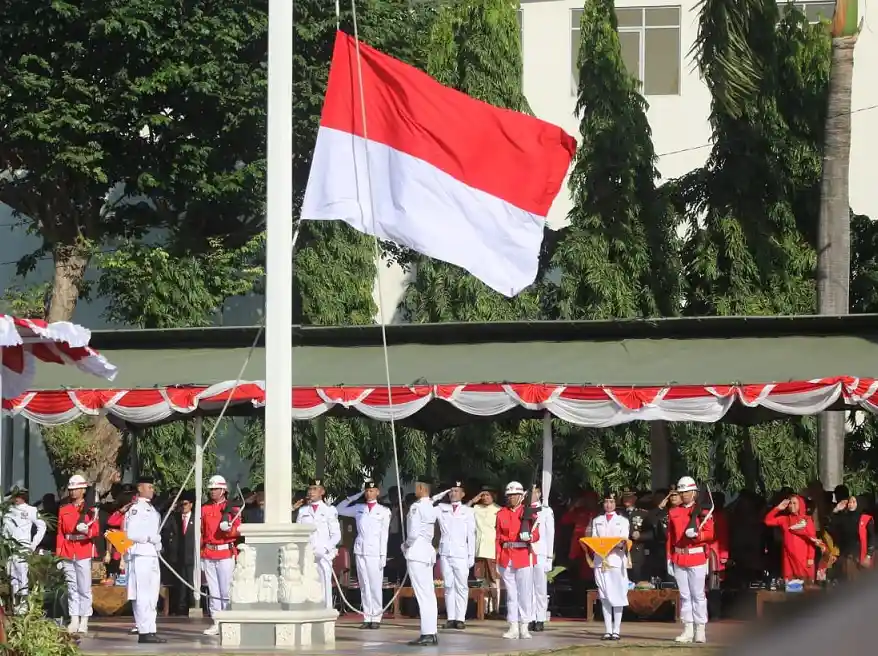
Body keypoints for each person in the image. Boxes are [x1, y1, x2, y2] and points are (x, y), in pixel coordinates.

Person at [666, 475, 715, 645]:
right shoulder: (674, 512)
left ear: (694, 492)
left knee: (698, 595)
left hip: (696, 556)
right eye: (682, 492)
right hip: (679, 556)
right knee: (685, 596)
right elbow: (671, 537)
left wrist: (698, 535)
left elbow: (710, 533)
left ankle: (700, 629)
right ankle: (687, 629)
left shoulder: (702, 511)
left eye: (687, 492)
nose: (684, 495)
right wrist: (669, 558)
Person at [337, 480, 391, 629]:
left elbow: (384, 535)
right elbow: (339, 509)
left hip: (375, 552)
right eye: (367, 491)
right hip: (360, 550)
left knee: (374, 585)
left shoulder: (384, 511)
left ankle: (377, 617)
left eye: (372, 491)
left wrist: (382, 556)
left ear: (377, 492)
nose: (369, 493)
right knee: (364, 585)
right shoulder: (359, 508)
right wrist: (356, 496)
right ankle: (367, 616)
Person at [124, 476, 166, 644]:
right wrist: (150, 537)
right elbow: (130, 534)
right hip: (140, 554)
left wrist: (158, 542)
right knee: (142, 594)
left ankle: (151, 628)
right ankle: (143, 630)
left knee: (152, 595)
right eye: (149, 487)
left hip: (152, 555)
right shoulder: (136, 509)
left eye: (152, 487)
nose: (152, 490)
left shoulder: (152, 509)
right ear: (140, 488)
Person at [496, 481, 540, 640]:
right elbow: (498, 538)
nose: (512, 498)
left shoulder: (528, 512)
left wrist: (529, 536)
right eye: (509, 495)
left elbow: (536, 533)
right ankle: (513, 625)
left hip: (523, 554)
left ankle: (524, 626)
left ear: (521, 496)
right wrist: (498, 558)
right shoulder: (501, 513)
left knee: (525, 593)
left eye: (515, 495)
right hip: (507, 555)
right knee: (511, 594)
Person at [56, 474, 100, 635]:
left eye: (76, 489)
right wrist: (59, 553)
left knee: (84, 587)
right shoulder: (64, 509)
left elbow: (96, 530)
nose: (73, 492)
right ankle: (74, 618)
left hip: (83, 549)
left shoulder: (90, 509)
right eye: (71, 490)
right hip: (68, 550)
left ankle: (84, 619)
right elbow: (60, 533)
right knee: (71, 586)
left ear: (83, 490)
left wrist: (87, 530)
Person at [201, 474, 241, 636]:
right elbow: (202, 532)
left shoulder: (233, 508)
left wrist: (229, 529)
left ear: (223, 490)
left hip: (225, 552)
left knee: (225, 590)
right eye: (211, 489)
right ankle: (216, 621)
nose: (212, 492)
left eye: (216, 489)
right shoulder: (205, 508)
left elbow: (238, 529)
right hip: (209, 552)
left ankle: (228, 621)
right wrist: (202, 553)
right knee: (213, 591)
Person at [587, 491, 630, 641]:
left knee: (617, 595)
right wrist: (603, 545)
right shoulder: (597, 520)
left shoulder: (623, 521)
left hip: (616, 561)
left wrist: (612, 544)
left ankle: (616, 630)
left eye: (611, 502)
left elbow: (623, 540)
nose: (608, 505)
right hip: (601, 561)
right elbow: (594, 539)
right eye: (606, 502)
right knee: (604, 596)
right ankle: (608, 630)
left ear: (615, 503)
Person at [403, 477, 440, 646]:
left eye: (416, 487)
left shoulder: (416, 507)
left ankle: (427, 633)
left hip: (417, 552)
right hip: (427, 552)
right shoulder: (431, 507)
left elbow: (412, 533)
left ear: (421, 488)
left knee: (423, 595)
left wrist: (406, 546)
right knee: (429, 594)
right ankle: (431, 632)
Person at [435, 480, 475, 629]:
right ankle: (451, 617)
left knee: (461, 586)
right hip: (446, 552)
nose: (453, 493)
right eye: (451, 491)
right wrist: (443, 493)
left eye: (456, 491)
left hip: (461, 553)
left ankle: (460, 618)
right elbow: (430, 503)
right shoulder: (441, 508)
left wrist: (471, 555)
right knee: (448, 585)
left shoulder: (468, 511)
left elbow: (471, 535)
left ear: (463, 494)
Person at [295, 478, 342, 609]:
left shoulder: (329, 510)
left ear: (322, 492)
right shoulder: (303, 511)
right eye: (310, 489)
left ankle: (326, 611)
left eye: (315, 489)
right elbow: (299, 532)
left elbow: (336, 535)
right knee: (308, 583)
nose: (311, 492)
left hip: (323, 554)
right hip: (307, 553)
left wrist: (326, 548)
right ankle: (311, 610)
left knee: (324, 583)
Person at [2, 486, 47, 613]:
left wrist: (33, 544)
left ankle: (23, 606)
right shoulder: (7, 510)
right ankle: (16, 606)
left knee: (22, 577)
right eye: (14, 495)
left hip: (23, 548)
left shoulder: (31, 510)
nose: (16, 498)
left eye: (19, 495)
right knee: (12, 578)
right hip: (9, 549)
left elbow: (42, 526)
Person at [764, 494, 817, 580]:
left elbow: (812, 539)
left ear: (800, 504)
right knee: (790, 586)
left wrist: (810, 557)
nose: (792, 505)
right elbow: (767, 521)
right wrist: (778, 508)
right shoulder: (785, 519)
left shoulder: (806, 520)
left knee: (805, 587)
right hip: (788, 558)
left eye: (794, 503)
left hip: (802, 559)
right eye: (790, 503)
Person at [468, 485, 501, 617]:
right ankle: (483, 609)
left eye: (488, 495)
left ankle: (495, 609)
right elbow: (463, 510)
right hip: (479, 549)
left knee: (494, 580)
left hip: (492, 549)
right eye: (483, 495)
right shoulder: (475, 508)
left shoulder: (499, 510)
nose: (485, 497)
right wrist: (472, 500)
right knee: (481, 580)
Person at [530, 483, 554, 633]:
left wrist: (549, 557)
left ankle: (540, 618)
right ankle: (530, 617)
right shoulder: (523, 509)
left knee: (540, 588)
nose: (532, 494)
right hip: (526, 552)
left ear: (539, 493)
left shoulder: (546, 511)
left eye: (534, 492)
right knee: (528, 588)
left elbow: (550, 534)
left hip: (540, 552)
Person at [620, 489, 651, 583]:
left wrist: (640, 536)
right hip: (620, 552)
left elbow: (651, 533)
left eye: (629, 497)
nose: (626, 499)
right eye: (625, 497)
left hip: (636, 552)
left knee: (637, 581)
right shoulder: (618, 513)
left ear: (635, 498)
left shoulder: (643, 514)